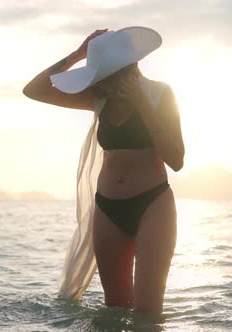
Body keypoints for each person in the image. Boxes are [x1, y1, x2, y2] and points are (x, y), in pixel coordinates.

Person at [23, 26, 185, 315]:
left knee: (148, 313)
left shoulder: (160, 94)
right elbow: (34, 90)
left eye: (106, 78)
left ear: (128, 70)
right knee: (115, 309)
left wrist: (142, 104)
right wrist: (77, 54)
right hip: (108, 209)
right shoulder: (100, 98)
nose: (101, 85)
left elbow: (176, 159)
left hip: (153, 204)